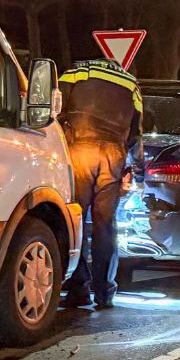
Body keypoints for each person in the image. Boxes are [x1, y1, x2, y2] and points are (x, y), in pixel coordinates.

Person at [58, 58, 143, 309]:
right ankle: (105, 292)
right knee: (105, 224)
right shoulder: (131, 84)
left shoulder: (76, 71)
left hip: (79, 150)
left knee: (76, 221)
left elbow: (52, 107)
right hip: (112, 155)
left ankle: (78, 288)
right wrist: (136, 168)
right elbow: (136, 132)